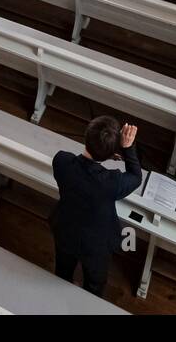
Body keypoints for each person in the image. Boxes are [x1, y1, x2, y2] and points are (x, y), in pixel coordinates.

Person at [51, 116, 141, 297]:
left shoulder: (61, 161)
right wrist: (128, 148)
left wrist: (103, 151)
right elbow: (136, 176)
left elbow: (76, 164)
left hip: (65, 230)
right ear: (113, 154)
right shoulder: (112, 182)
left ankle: (58, 296)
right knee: (94, 282)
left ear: (86, 138)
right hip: (96, 244)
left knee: (62, 270)